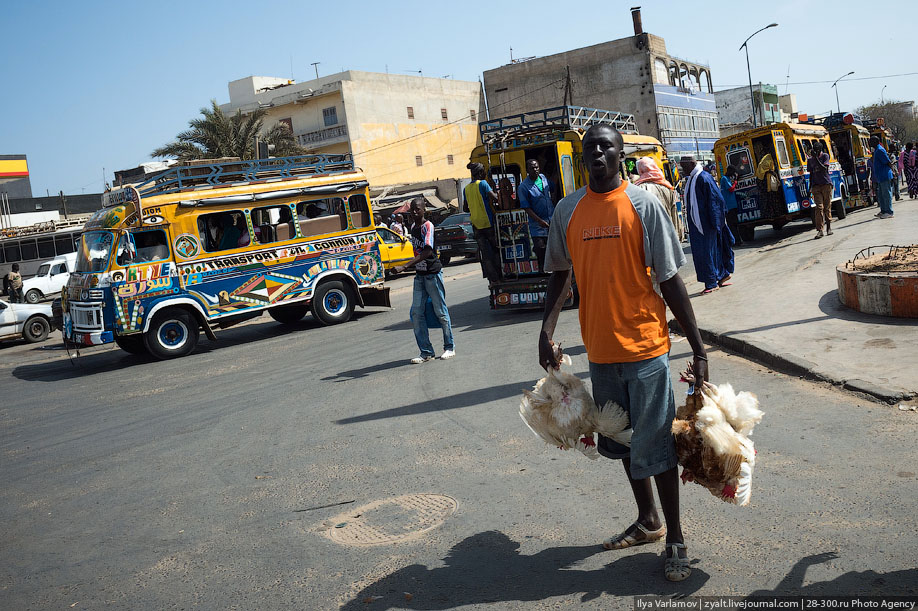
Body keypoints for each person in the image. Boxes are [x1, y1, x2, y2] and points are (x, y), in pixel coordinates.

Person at [539, 124, 708, 583]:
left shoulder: (644, 204)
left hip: (647, 349)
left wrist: (698, 346)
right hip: (601, 352)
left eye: (606, 147)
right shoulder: (567, 210)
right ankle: (649, 520)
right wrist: (546, 328)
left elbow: (671, 279)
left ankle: (675, 537)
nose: (597, 153)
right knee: (623, 442)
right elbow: (560, 273)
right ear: (582, 156)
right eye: (590, 147)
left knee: (657, 447)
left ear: (621, 157)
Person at [394, 197, 455, 364]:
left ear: (424, 210)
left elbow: (427, 251)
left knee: (441, 312)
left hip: (432, 274)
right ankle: (426, 352)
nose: (414, 212)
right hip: (420, 276)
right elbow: (417, 251)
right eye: (412, 209)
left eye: (418, 209)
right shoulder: (413, 227)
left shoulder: (428, 226)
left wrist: (405, 266)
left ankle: (449, 347)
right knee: (416, 313)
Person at [681, 155, 734, 294]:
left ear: (692, 164)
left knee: (707, 253)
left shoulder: (703, 177)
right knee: (709, 252)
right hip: (699, 223)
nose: (682, 169)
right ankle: (721, 275)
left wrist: (717, 224)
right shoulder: (693, 178)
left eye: (684, 166)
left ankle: (711, 282)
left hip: (706, 224)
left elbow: (716, 201)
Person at [462, 163, 501, 282]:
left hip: (476, 225)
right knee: (496, 249)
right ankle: (500, 274)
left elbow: (465, 209)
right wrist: (497, 192)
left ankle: (492, 277)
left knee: (485, 253)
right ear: (480, 173)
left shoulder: (466, 189)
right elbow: (495, 198)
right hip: (487, 222)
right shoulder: (483, 184)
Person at [517, 159, 555, 271]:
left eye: (536, 167)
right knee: (540, 249)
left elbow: (552, 187)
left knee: (553, 249)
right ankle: (543, 273)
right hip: (537, 226)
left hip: (551, 221)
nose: (535, 170)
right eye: (532, 168)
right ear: (527, 170)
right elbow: (526, 208)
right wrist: (539, 221)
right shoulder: (523, 187)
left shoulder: (543, 178)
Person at [635, 157, 683, 242]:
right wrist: (678, 237)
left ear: (641, 171)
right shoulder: (667, 188)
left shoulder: (639, 189)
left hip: (650, 238)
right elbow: (674, 214)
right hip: (668, 235)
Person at [806, 141, 834, 239]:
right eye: (814, 150)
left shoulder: (825, 156)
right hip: (816, 186)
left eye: (817, 150)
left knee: (827, 207)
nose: (815, 152)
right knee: (819, 208)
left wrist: (817, 159)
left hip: (826, 184)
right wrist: (810, 187)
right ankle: (820, 230)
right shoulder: (810, 160)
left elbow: (824, 169)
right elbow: (811, 174)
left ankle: (829, 228)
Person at [870, 135, 895, 219]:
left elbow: (887, 161)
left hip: (885, 175)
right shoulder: (876, 150)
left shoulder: (880, 150)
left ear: (875, 142)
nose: (869, 142)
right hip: (880, 176)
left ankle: (889, 212)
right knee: (881, 195)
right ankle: (883, 211)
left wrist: (893, 171)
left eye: (871, 141)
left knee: (886, 194)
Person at [719, 166, 742, 246]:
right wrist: (735, 182)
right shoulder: (724, 179)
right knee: (732, 224)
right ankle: (735, 241)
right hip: (729, 206)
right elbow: (731, 189)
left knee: (735, 224)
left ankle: (737, 240)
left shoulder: (728, 179)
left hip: (733, 204)